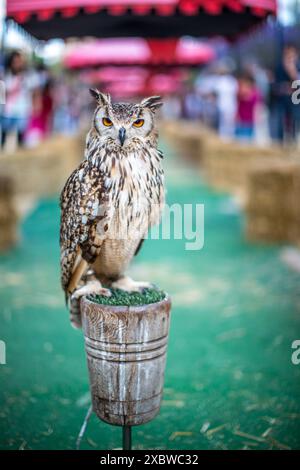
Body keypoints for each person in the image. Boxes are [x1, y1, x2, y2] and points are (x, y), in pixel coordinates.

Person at [269, 43, 300, 143]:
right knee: (279, 121)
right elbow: (274, 84)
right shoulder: (278, 66)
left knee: (294, 121)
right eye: (287, 54)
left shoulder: (298, 66)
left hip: (295, 99)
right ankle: (279, 142)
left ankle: (292, 141)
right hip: (280, 99)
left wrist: (292, 71)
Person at [1, 51, 32, 148]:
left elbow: (32, 92)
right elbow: (2, 94)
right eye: (15, 61)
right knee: (4, 136)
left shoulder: (27, 76)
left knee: (21, 137)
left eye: (19, 61)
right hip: (7, 110)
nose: (17, 64)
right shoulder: (5, 75)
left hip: (22, 109)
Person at [235, 73, 261, 141]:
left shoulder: (255, 93)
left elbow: (256, 107)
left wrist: (257, 117)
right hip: (241, 120)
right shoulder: (240, 92)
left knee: (248, 140)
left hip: (249, 120)